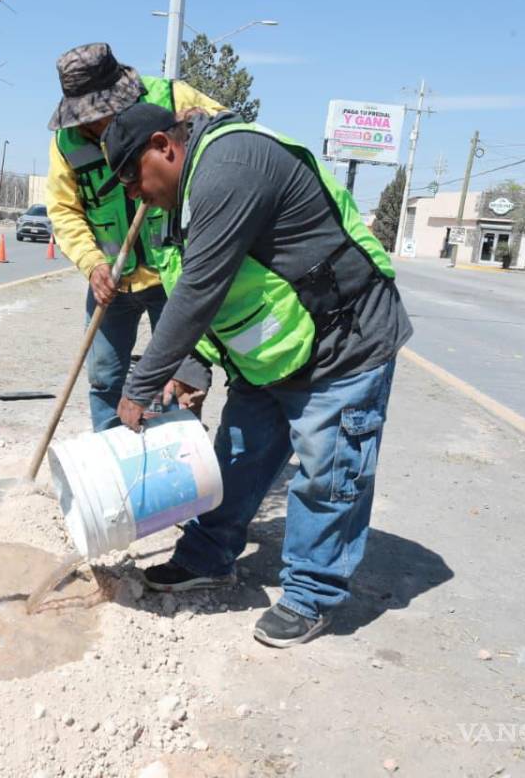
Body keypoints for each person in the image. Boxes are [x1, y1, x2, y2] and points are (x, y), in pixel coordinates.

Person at [101, 103, 413, 648]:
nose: (132, 193)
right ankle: (209, 558)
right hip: (273, 349)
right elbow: (191, 289)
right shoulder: (181, 197)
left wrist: (140, 385)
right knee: (238, 457)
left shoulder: (229, 166)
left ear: (163, 145)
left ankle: (312, 592)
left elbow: (201, 288)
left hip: (343, 338)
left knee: (329, 468)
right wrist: (189, 365)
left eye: (132, 175)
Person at [46, 43, 224, 431]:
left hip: (174, 276)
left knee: (180, 379)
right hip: (113, 281)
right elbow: (64, 210)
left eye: (101, 112)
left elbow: (228, 136)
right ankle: (111, 459)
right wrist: (92, 264)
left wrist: (199, 122)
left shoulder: (172, 97)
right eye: (86, 116)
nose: (94, 125)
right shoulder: (66, 144)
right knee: (105, 377)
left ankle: (179, 460)